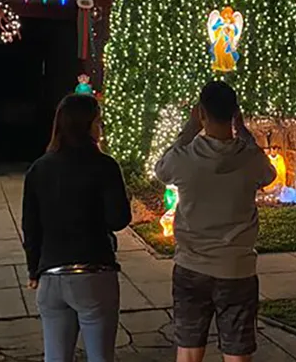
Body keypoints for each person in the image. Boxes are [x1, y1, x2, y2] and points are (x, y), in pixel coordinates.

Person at [155, 81, 276, 362]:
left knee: (188, 350)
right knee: (237, 351)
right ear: (235, 114)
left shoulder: (184, 159)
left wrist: (187, 131)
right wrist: (245, 134)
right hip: (237, 267)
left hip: (191, 265)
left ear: (201, 114)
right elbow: (269, 176)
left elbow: (161, 170)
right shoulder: (250, 159)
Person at [22, 94, 131, 362]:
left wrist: (34, 268)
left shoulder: (39, 169)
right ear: (87, 125)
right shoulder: (104, 165)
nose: (101, 128)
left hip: (51, 273)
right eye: (98, 122)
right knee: (100, 357)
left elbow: (31, 227)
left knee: (56, 357)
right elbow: (118, 219)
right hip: (94, 272)